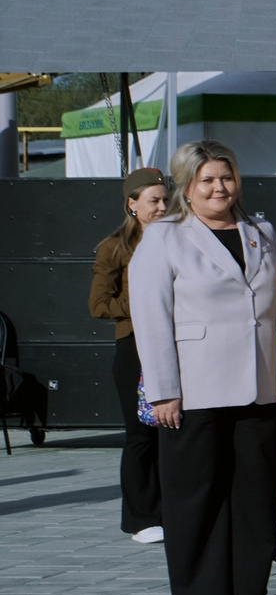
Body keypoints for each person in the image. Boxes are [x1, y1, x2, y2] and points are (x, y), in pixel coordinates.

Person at [127, 142, 276, 595]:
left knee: (254, 492)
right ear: (187, 188)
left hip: (260, 385)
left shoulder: (262, 231)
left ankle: (245, 590)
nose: (219, 188)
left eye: (226, 177)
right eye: (207, 180)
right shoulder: (165, 237)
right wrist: (163, 390)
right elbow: (151, 317)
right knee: (196, 494)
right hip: (195, 389)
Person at [88, 167, 171, 544]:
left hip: (176, 343)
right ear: (132, 204)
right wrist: (143, 300)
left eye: (166, 199)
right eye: (153, 201)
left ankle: (172, 509)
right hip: (135, 346)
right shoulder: (115, 247)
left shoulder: (180, 238)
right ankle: (141, 517)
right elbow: (98, 304)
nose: (161, 207)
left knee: (175, 432)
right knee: (140, 435)